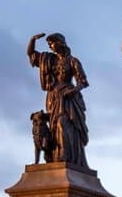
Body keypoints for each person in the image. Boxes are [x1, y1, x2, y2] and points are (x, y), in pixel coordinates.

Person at [27, 32, 89, 167]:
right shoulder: (49, 59)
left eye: (52, 43)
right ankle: (55, 157)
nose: (50, 46)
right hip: (53, 97)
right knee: (53, 128)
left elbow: (82, 82)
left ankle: (66, 157)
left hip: (68, 98)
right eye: (49, 44)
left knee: (63, 123)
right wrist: (33, 40)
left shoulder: (72, 61)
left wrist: (73, 91)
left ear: (60, 43)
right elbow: (31, 54)